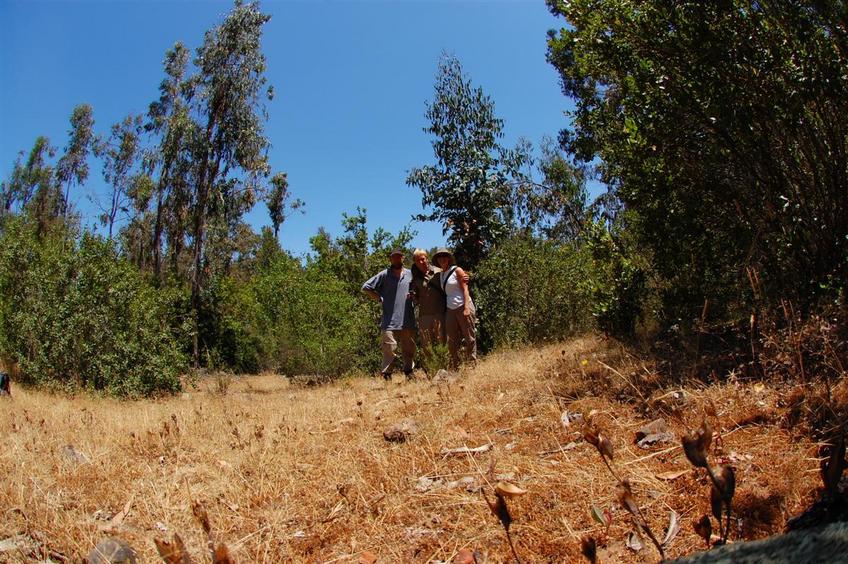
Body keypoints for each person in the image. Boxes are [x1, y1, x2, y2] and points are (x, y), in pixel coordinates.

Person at [361, 249, 417, 380]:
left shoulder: (410, 274)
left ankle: (409, 373)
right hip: (389, 321)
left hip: (407, 319)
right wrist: (378, 298)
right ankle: (387, 375)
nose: (396, 259)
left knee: (409, 350)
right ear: (390, 259)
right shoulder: (385, 274)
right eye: (394, 257)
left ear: (403, 258)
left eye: (399, 257)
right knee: (390, 350)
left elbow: (418, 289)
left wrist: (414, 295)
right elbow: (366, 286)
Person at [432, 248, 476, 369]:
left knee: (469, 337)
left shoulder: (457, 270)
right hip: (450, 309)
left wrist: (467, 308)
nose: (442, 259)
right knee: (452, 339)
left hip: (463, 305)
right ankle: (455, 365)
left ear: (449, 258)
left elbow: (465, 289)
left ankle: (471, 364)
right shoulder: (441, 274)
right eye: (439, 257)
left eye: (444, 256)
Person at [410, 249, 446, 366]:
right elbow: (414, 295)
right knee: (427, 345)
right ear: (415, 262)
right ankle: (432, 370)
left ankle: (445, 367)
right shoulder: (415, 278)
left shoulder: (439, 271)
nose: (421, 261)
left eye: (423, 258)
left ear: (427, 258)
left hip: (440, 313)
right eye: (418, 260)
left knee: (442, 341)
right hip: (424, 315)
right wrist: (413, 297)